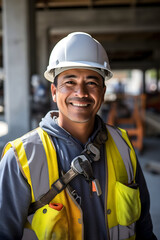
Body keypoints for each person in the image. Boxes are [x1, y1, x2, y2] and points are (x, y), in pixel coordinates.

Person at [0, 32, 157, 240]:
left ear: (102, 91)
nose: (81, 92)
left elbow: (144, 228)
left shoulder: (122, 146)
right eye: (70, 82)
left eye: (91, 82)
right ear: (54, 91)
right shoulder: (21, 159)